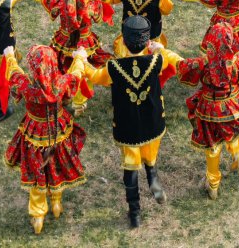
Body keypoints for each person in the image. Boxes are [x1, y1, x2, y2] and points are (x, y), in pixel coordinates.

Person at [71, 16, 184, 228]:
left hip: (128, 126)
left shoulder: (114, 67)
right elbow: (173, 59)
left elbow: (93, 75)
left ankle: (135, 213)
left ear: (123, 41)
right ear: (147, 42)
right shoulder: (157, 60)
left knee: (131, 166)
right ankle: (153, 181)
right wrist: (160, 49)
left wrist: (81, 59)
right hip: (152, 122)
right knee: (150, 155)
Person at [0, 43, 88, 234]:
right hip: (58, 131)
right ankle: (56, 203)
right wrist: (80, 56)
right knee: (57, 165)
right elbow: (76, 74)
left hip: (35, 132)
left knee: (36, 170)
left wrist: (10, 56)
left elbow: (13, 73)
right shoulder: (61, 83)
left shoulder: (26, 85)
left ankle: (38, 215)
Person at [172, 20, 239, 200]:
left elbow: (181, 64)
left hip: (210, 109)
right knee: (232, 133)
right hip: (233, 105)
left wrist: (162, 51)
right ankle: (237, 155)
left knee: (212, 145)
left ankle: (213, 185)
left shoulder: (203, 63)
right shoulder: (236, 61)